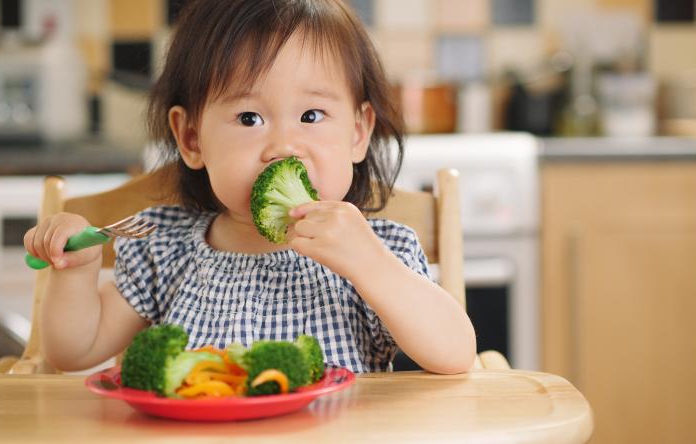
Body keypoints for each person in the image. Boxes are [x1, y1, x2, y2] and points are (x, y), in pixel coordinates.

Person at [23, 0, 476, 375]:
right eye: (249, 118)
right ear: (192, 138)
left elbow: (456, 355)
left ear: (358, 133)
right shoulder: (165, 245)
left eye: (311, 116)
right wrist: (77, 274)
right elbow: (73, 353)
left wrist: (371, 266)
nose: (282, 147)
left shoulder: (379, 250)